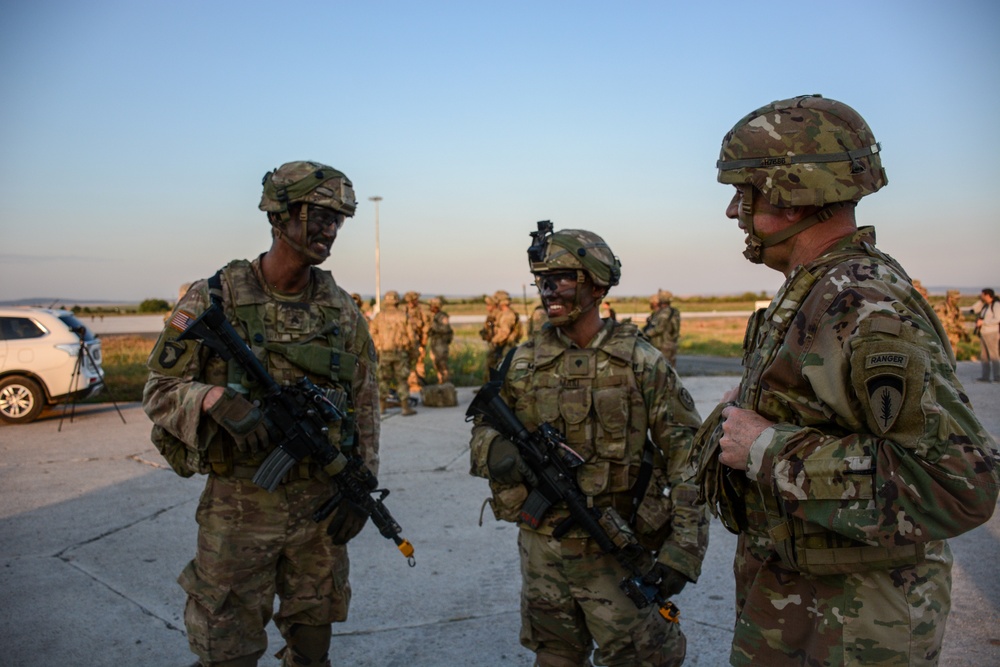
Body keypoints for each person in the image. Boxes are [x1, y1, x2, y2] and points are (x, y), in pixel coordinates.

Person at [697, 94, 999, 666]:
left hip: (856, 624)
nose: (734, 212)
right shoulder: (816, 288)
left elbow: (958, 484)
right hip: (802, 603)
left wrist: (765, 446)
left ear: (790, 196)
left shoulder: (863, 302)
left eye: (746, 193)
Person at [143, 161, 380, 667]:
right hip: (239, 507)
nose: (329, 230)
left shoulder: (341, 310)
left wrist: (361, 484)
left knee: (313, 645)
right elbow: (159, 389)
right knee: (226, 648)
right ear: (278, 216)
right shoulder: (214, 297)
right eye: (317, 215)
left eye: (337, 220)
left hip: (319, 506)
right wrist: (211, 400)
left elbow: (365, 403)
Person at [469, 226, 708, 667]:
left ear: (596, 284)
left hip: (614, 543)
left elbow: (688, 454)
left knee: (645, 657)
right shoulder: (522, 360)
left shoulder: (639, 360)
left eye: (562, 278)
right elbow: (482, 426)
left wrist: (683, 551)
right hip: (543, 548)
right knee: (554, 653)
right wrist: (494, 452)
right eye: (543, 279)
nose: (548, 289)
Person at [370, 290, 417, 416]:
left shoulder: (379, 316)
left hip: (384, 353)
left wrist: (377, 347)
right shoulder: (403, 315)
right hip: (400, 353)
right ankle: (405, 408)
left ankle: (382, 407)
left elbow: (372, 333)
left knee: (383, 380)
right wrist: (413, 352)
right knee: (402, 380)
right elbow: (412, 336)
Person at [643, 290, 681, 367]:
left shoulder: (664, 313)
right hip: (671, 343)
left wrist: (645, 334)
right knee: (670, 368)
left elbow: (659, 329)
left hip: (663, 345)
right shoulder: (674, 311)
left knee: (663, 368)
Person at [403, 291, 431, 395]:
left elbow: (426, 327)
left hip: (418, 342)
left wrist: (423, 342)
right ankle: (411, 384)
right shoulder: (404, 311)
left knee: (419, 364)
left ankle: (419, 384)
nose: (412, 303)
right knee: (407, 364)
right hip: (407, 343)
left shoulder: (421, 311)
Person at [969, 287, 999, 382]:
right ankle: (985, 376)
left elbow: (997, 319)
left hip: (992, 332)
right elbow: (973, 310)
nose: (981, 296)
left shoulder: (996, 305)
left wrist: (984, 322)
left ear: (987, 295)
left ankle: (997, 376)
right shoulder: (985, 305)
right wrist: (981, 301)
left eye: (982, 295)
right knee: (984, 356)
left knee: (994, 355)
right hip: (984, 333)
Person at [489, 289, 522, 369]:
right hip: (502, 347)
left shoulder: (508, 315)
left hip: (506, 348)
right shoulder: (503, 313)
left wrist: (494, 341)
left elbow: (504, 333)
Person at [426, 296, 453, 384]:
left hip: (441, 345)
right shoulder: (434, 316)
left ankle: (446, 383)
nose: (430, 307)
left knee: (443, 365)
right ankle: (441, 382)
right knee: (437, 365)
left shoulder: (442, 317)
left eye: (432, 306)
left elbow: (445, 329)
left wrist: (433, 326)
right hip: (435, 344)